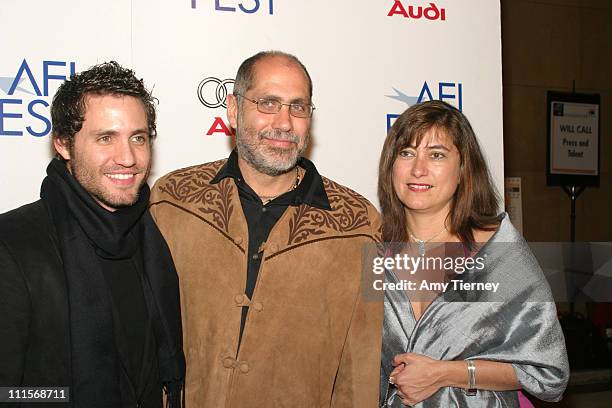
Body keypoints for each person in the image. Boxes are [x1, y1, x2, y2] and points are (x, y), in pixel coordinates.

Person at [150, 50, 382, 407]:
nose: (285, 122)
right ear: (233, 109)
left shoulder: (360, 223)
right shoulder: (173, 200)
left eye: (298, 107)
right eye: (268, 103)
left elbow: (362, 366)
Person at [0, 62, 185, 408]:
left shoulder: (155, 239)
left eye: (138, 138)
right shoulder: (11, 245)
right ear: (63, 144)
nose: (128, 158)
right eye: (105, 138)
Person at [378, 100, 569, 407]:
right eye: (407, 152)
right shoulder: (372, 252)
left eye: (436, 154)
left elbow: (547, 371)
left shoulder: (497, 253)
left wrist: (446, 373)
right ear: (391, 164)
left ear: (464, 167)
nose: (418, 169)